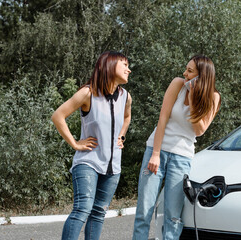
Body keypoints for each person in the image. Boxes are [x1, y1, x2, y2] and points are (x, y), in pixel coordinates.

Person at [132, 55, 221, 239]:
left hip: (181, 158)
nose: (184, 73)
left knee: (173, 216)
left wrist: (194, 96)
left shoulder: (213, 97)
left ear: (202, 76)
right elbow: (163, 118)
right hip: (157, 150)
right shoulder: (177, 84)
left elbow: (199, 130)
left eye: (190, 71)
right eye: (186, 69)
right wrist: (155, 154)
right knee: (144, 212)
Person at [51, 51, 132, 240]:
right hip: (88, 162)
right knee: (82, 209)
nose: (129, 70)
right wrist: (75, 143)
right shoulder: (88, 93)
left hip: (113, 167)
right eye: (125, 65)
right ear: (110, 66)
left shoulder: (125, 97)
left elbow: (126, 117)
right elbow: (58, 116)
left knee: (98, 214)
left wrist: (122, 135)